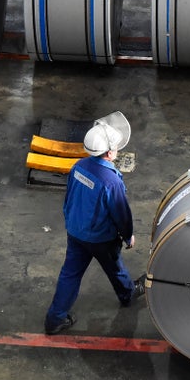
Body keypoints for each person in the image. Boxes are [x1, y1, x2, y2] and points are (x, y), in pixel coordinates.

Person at [43, 111, 144, 335]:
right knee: (115, 268)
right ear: (109, 152)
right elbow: (121, 214)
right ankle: (127, 294)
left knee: (70, 274)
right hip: (101, 238)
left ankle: (54, 319)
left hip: (76, 231)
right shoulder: (111, 181)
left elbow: (69, 197)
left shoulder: (79, 166)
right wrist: (128, 236)